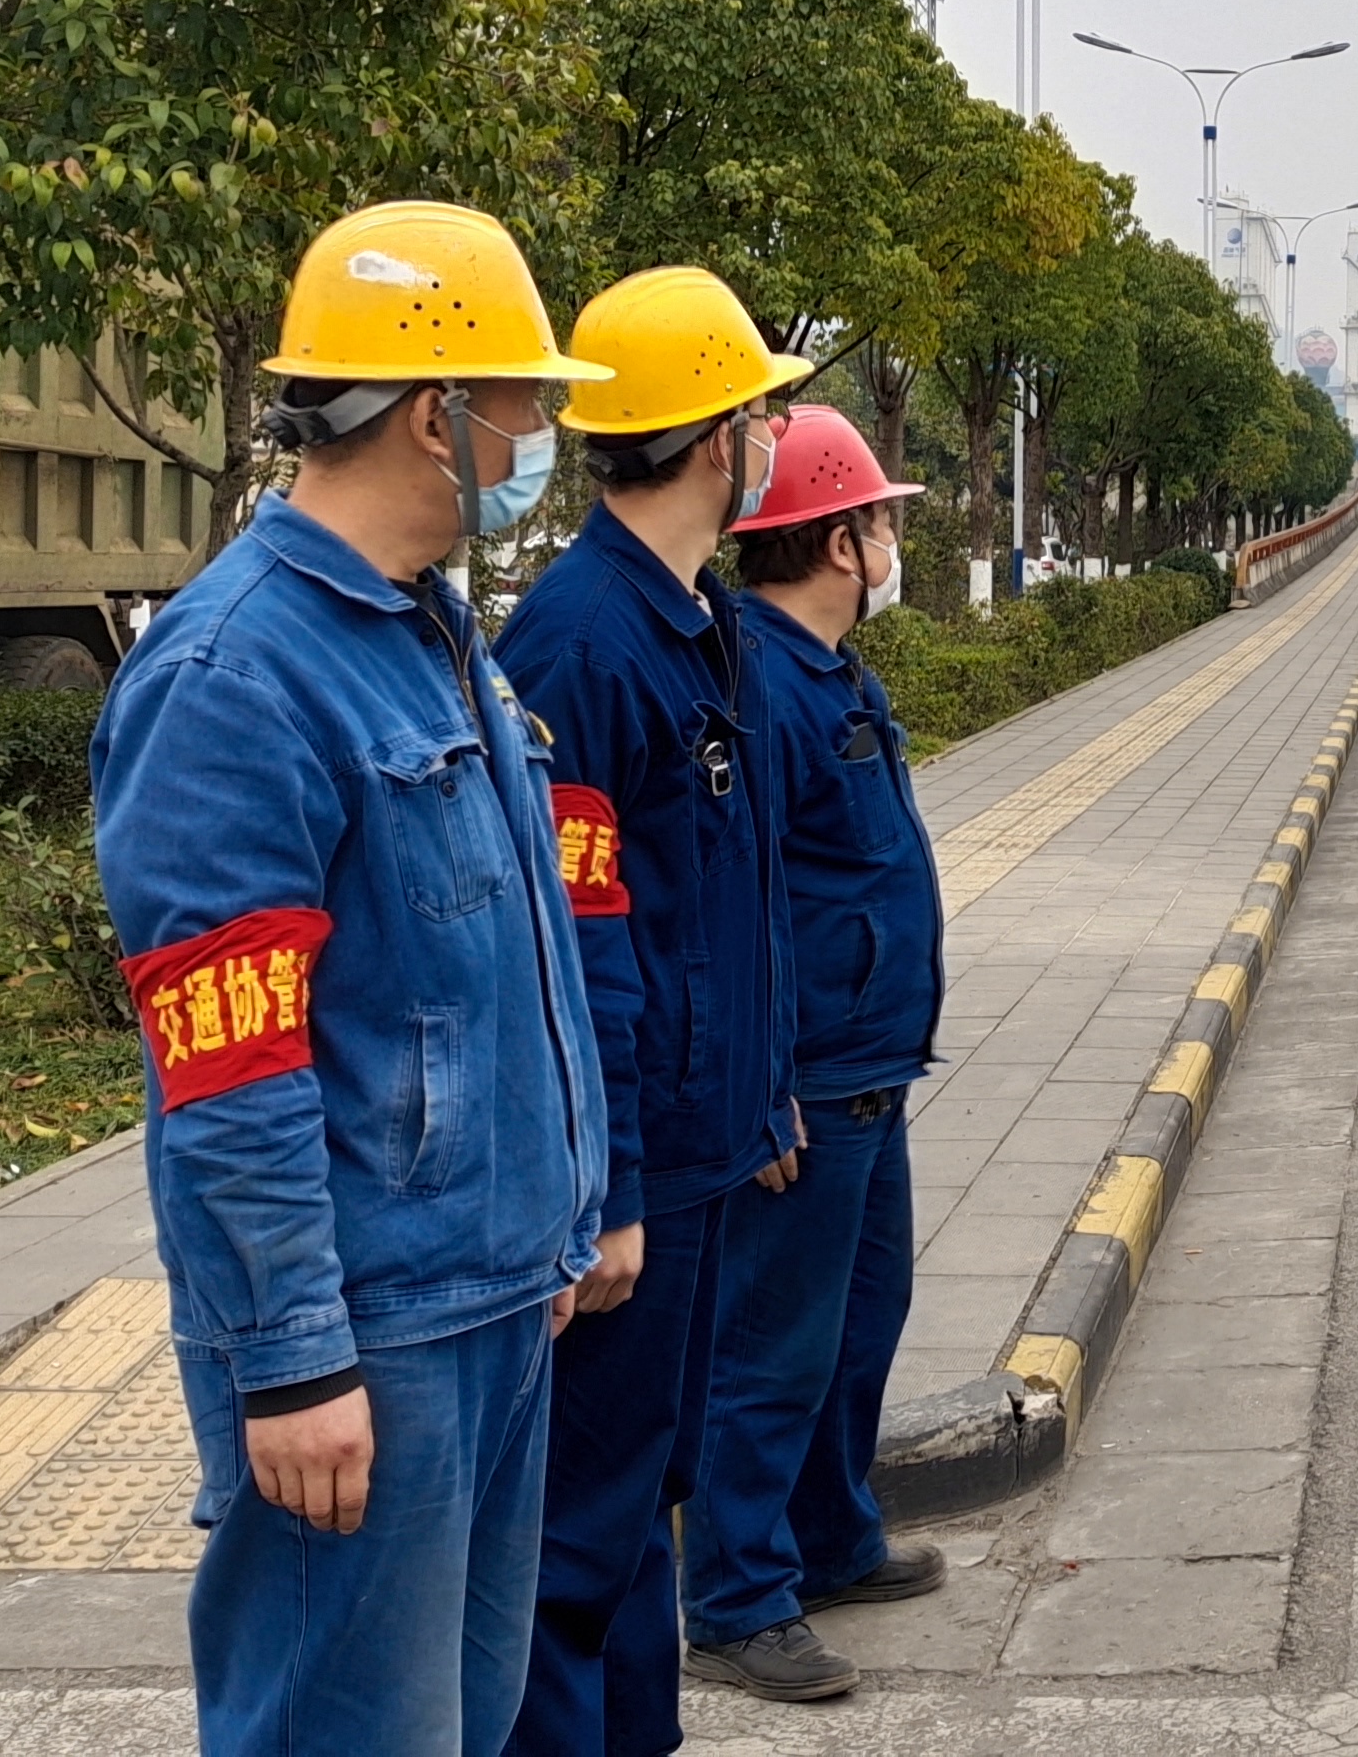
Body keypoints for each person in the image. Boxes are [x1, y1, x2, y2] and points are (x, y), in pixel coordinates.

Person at [89, 200, 613, 1756]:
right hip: (369, 1340)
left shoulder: (436, 636)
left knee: (464, 1720)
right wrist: (293, 1358)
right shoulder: (232, 677)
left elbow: (506, 972)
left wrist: (566, 1217)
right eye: (526, 405)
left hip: (499, 1299)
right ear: (437, 415)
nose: (540, 441)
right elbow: (229, 1074)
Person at [492, 267, 815, 1754]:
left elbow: (724, 904)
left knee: (643, 1509)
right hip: (640, 1176)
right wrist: (608, 1190)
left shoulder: (695, 620)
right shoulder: (582, 642)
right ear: (711, 437)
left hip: (703, 1143)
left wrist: (766, 1094)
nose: (774, 434)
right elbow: (578, 947)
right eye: (760, 409)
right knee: (581, 1540)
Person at [679, 406, 948, 1701]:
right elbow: (737, 908)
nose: (894, 543)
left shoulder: (827, 670)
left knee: (862, 1316)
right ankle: (736, 1597)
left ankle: (831, 1537)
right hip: (810, 1085)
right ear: (843, 540)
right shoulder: (764, 689)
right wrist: (763, 1090)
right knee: (775, 1346)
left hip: (870, 1067)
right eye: (884, 522)